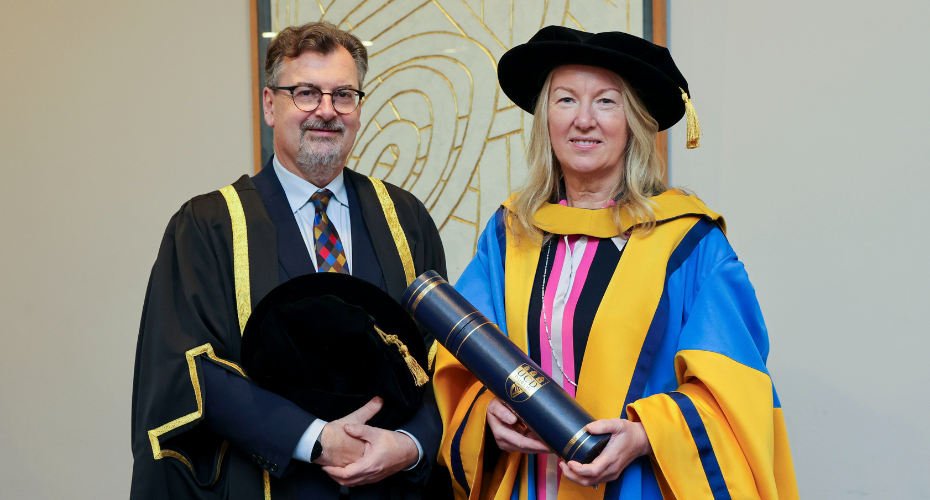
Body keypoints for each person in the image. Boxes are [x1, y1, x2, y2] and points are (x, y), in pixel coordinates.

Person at [433, 26, 799, 500]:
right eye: (565, 100)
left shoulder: (688, 242)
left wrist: (648, 434)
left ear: (635, 122)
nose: (583, 120)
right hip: (530, 485)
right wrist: (487, 413)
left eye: (606, 102)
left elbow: (737, 389)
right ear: (545, 118)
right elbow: (461, 367)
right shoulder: (509, 235)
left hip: (637, 486)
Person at [130, 22, 449, 500]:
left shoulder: (405, 218)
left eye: (344, 95)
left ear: (359, 109)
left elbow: (441, 357)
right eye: (305, 93)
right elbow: (188, 367)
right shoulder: (208, 225)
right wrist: (314, 440)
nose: (326, 111)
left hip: (392, 486)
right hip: (272, 485)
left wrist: (411, 444)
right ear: (269, 104)